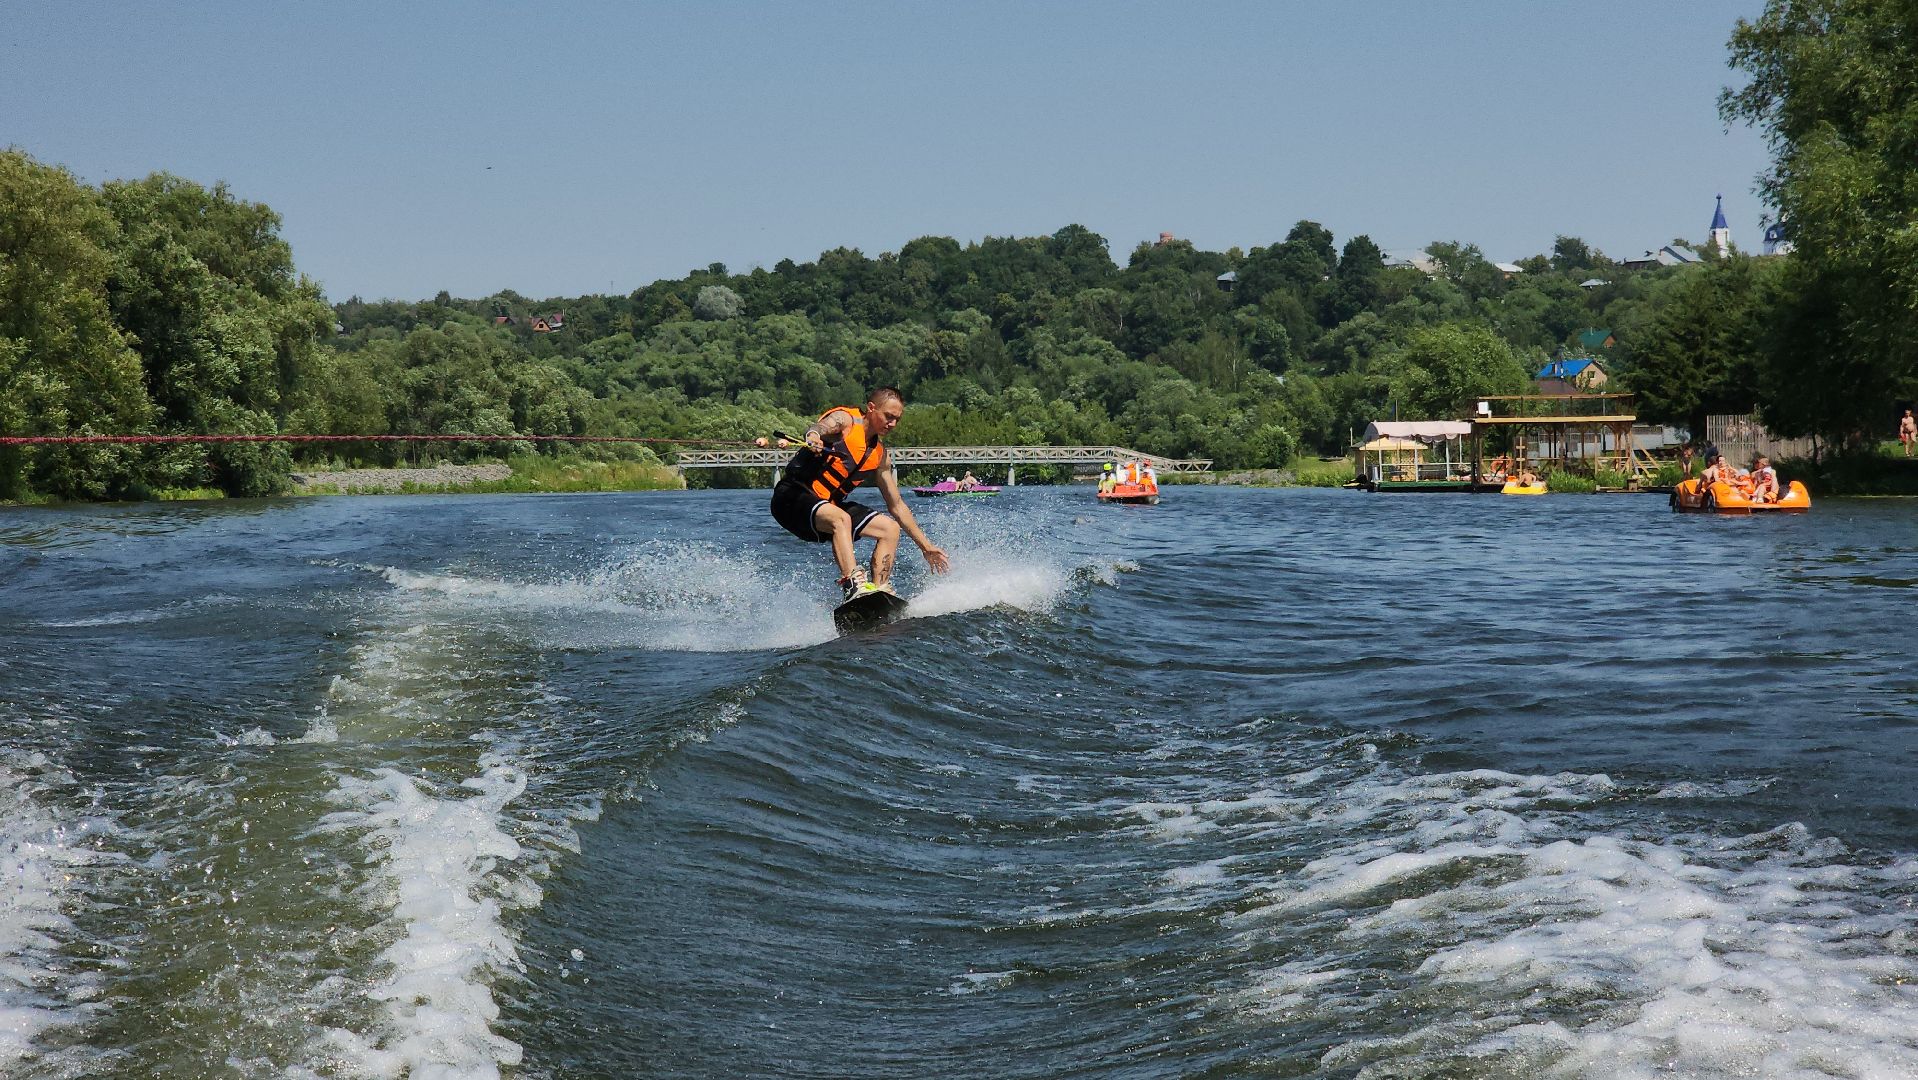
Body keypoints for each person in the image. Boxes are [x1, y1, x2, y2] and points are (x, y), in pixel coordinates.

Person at [768, 387, 950, 600]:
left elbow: (897, 506)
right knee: (841, 518)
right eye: (888, 417)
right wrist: (814, 436)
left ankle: (878, 593)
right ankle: (853, 585)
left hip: (825, 508)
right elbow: (818, 427)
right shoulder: (845, 420)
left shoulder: (880, 456)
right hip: (791, 499)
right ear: (871, 408)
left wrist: (926, 547)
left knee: (889, 528)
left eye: (897, 420)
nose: (892, 424)